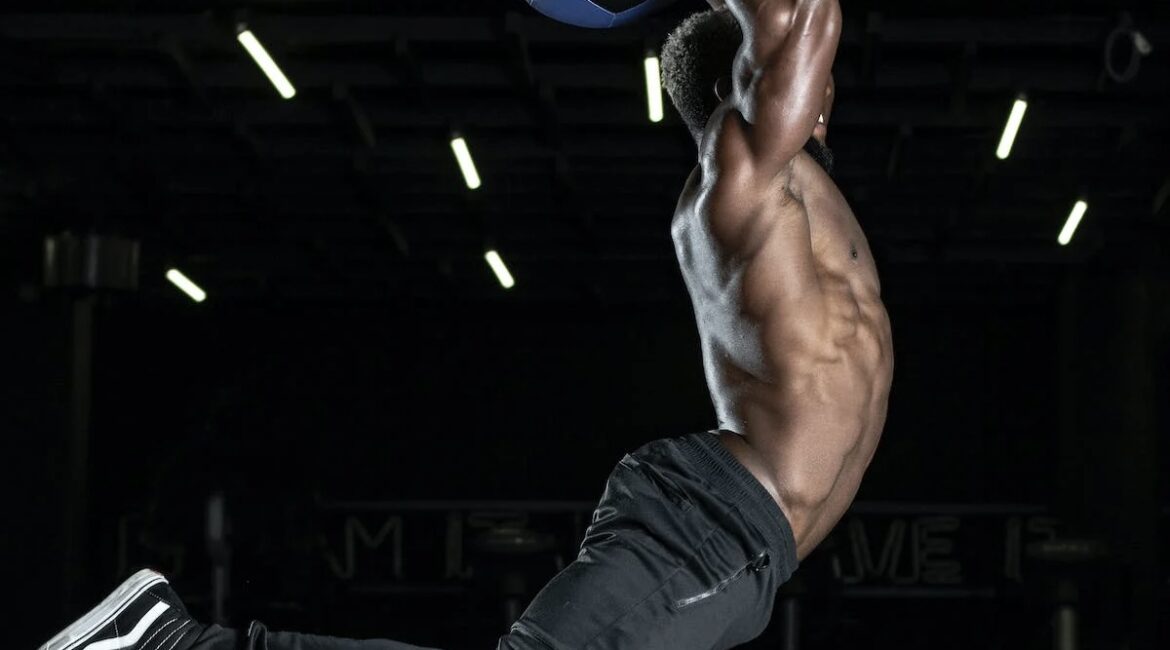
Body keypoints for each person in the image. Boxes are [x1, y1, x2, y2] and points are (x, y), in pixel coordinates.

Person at [38, 1, 892, 649]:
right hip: (713, 527)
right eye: (804, 80)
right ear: (738, 89)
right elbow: (800, 15)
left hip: (742, 548)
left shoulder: (806, 198)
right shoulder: (744, 180)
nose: (827, 91)